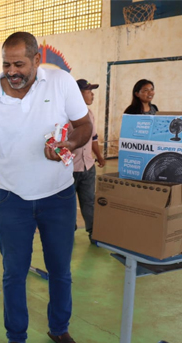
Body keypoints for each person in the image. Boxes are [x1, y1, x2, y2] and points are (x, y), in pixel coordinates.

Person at [0, 32, 93, 343]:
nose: (12, 71)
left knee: (60, 270)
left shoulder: (60, 82)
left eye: (19, 64)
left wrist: (69, 145)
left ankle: (59, 330)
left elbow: (84, 126)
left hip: (59, 196)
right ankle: (16, 337)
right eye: (6, 64)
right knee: (13, 273)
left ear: (36, 60)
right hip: (12, 197)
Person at [70, 79, 106, 242]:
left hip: (88, 166)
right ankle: (68, 230)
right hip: (69, 169)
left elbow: (94, 138)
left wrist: (98, 156)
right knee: (68, 203)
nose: (92, 95)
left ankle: (94, 233)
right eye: (88, 91)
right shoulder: (66, 114)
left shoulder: (89, 114)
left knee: (89, 201)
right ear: (78, 93)